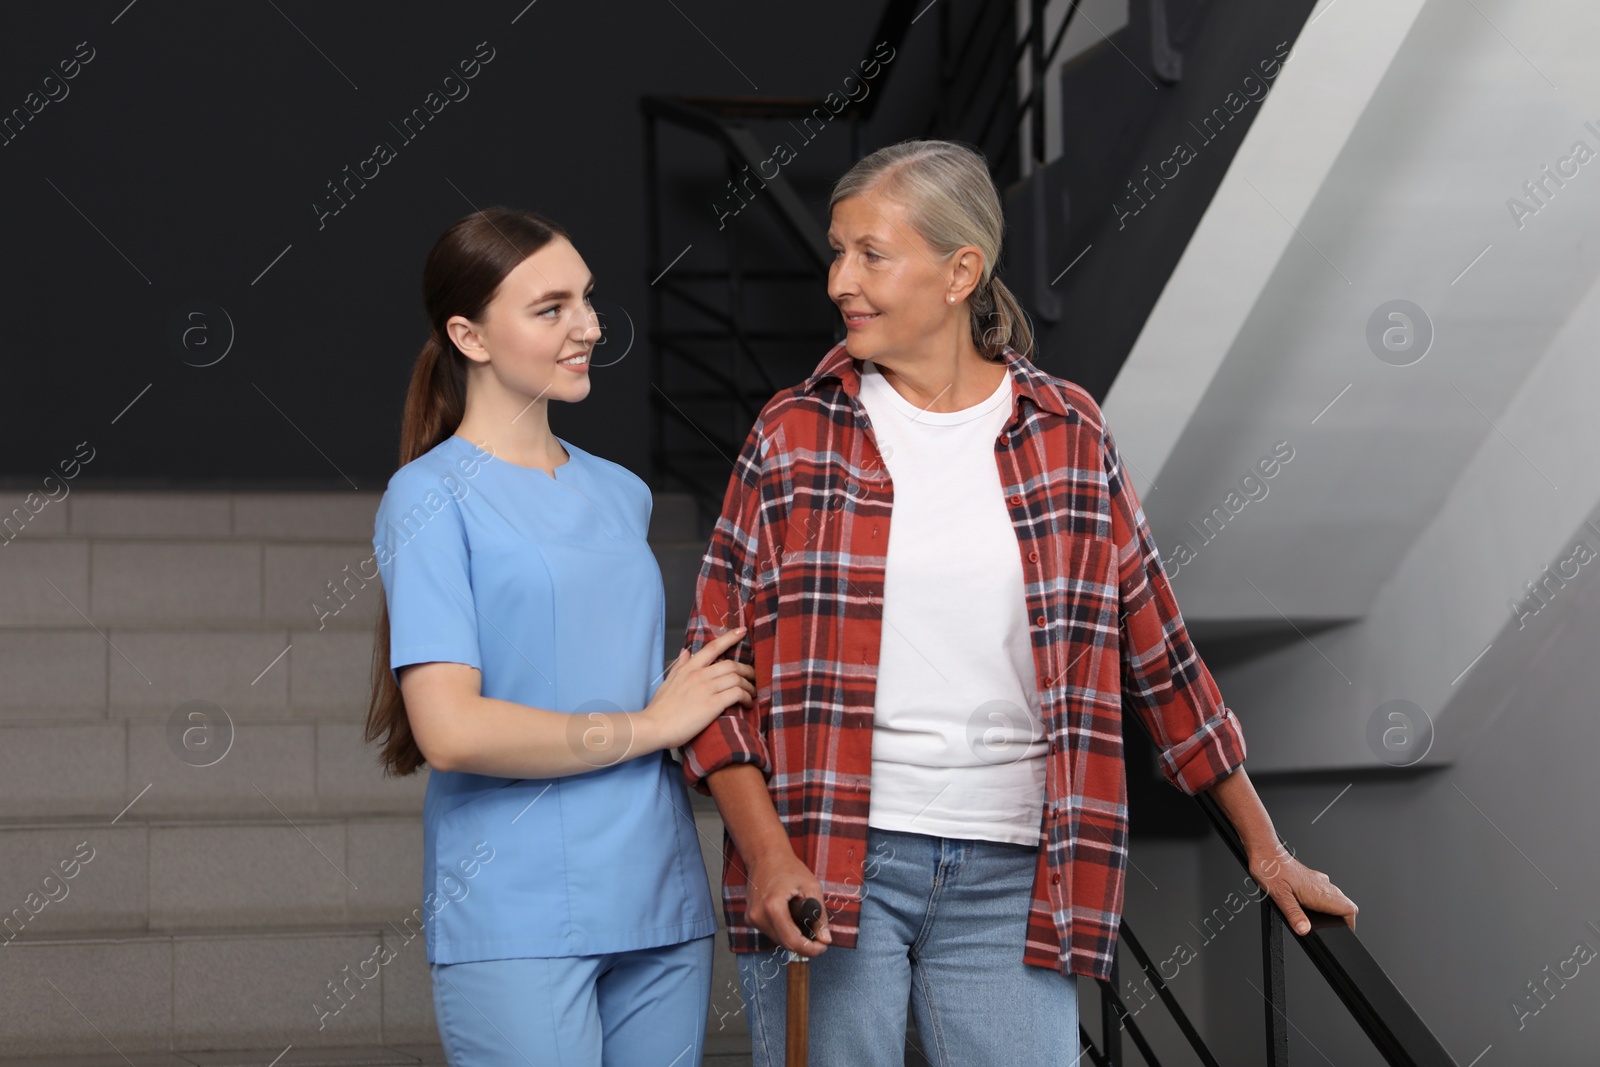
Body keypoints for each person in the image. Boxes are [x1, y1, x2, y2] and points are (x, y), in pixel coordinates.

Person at [678, 140, 1359, 1066]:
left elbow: (1159, 652)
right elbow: (713, 676)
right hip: (830, 856)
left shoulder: (1067, 430)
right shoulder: (795, 432)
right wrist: (767, 855)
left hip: (1017, 870)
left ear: (963, 271)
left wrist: (1265, 844)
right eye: (837, 252)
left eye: (871, 254)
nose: (841, 279)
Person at [364, 206, 756, 1066]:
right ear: (469, 334)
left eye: (586, 299)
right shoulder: (427, 499)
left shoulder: (622, 493)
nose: (587, 327)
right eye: (551, 309)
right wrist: (653, 725)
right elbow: (451, 728)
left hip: (658, 890)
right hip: (515, 900)